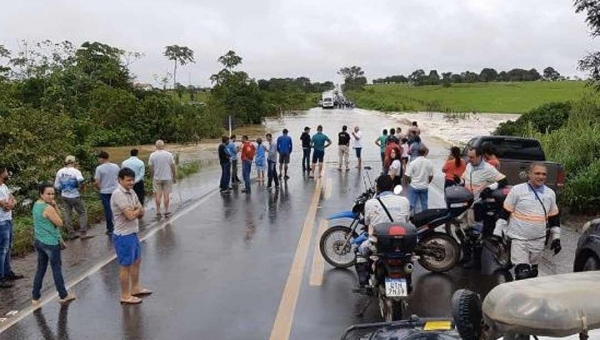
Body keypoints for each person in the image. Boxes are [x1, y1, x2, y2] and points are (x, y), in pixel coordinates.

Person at [493, 163, 561, 280]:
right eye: (537, 173)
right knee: (522, 273)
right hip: (519, 240)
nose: (541, 177)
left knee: (532, 274)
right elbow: (504, 213)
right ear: (529, 174)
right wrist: (497, 233)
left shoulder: (550, 194)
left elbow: (554, 218)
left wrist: (556, 238)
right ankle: (517, 297)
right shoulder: (517, 190)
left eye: (544, 174)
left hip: (538, 240)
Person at [355, 175, 410, 290]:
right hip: (402, 243)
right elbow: (406, 220)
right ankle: (407, 282)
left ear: (377, 187)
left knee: (359, 253)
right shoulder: (404, 201)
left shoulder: (370, 203)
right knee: (409, 259)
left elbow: (367, 222)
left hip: (379, 244)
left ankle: (364, 284)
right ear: (392, 187)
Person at [461, 146, 509, 268]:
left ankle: (476, 261)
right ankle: (466, 256)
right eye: (468, 156)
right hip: (466, 203)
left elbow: (504, 180)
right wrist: (460, 183)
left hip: (478, 205)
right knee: (464, 230)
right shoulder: (469, 165)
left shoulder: (488, 168)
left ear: (480, 157)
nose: (469, 159)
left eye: (472, 157)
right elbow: (464, 179)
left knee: (475, 233)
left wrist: (489, 188)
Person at [111, 168, 151, 304]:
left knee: (136, 261)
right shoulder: (118, 194)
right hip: (123, 235)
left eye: (132, 180)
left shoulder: (132, 192)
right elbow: (130, 216)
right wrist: (136, 210)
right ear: (120, 180)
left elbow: (141, 212)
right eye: (128, 180)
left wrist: (136, 210)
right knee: (125, 266)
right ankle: (125, 295)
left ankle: (135, 288)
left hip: (133, 232)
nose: (131, 182)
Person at [31, 184, 76, 306]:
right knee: (56, 269)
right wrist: (55, 206)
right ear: (41, 194)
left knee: (41, 269)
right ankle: (63, 295)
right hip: (51, 243)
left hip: (39, 241)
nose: (51, 196)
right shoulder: (48, 208)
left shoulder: (36, 204)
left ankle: (35, 297)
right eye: (48, 194)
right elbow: (60, 222)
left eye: (53, 194)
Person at [54, 156, 89, 240]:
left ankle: (71, 233)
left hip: (64, 195)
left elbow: (56, 185)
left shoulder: (60, 171)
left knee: (67, 214)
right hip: (75, 195)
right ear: (74, 162)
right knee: (82, 212)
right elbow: (82, 181)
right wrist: (80, 189)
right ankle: (83, 233)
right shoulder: (76, 171)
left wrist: (63, 190)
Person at [0, 167, 23, 288]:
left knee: (8, 248)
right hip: (1, 221)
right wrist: (9, 203)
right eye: (6, 172)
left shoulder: (4, 186)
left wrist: (10, 203)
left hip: (8, 219)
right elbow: (5, 206)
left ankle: (7, 271)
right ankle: (1, 277)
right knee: (2, 250)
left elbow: (12, 200)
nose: (7, 174)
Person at [148, 140, 177, 218]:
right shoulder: (169, 154)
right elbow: (173, 166)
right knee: (166, 195)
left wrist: (151, 176)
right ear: (163, 146)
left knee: (158, 195)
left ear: (156, 146)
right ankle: (166, 210)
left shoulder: (152, 155)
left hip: (157, 178)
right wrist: (174, 176)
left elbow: (150, 167)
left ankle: (158, 211)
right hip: (167, 178)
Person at [94, 151, 120, 235]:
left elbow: (97, 181)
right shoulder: (115, 166)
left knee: (108, 210)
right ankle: (119, 225)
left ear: (101, 158)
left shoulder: (99, 168)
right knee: (117, 208)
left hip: (104, 191)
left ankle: (110, 228)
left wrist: (99, 187)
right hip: (115, 190)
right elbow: (119, 177)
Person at [404, 146, 434, 214]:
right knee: (424, 204)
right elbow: (431, 175)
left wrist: (409, 182)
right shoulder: (429, 162)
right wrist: (427, 182)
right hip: (424, 187)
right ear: (425, 153)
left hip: (414, 186)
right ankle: (425, 218)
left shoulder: (413, 163)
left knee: (412, 203)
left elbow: (407, 175)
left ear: (417, 153)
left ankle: (411, 217)